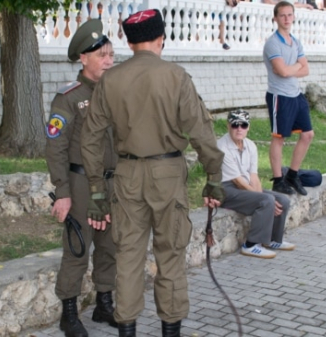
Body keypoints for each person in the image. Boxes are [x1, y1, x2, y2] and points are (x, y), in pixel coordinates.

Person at [80, 9, 225, 337]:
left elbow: (89, 138)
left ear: (129, 43)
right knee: (170, 254)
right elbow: (201, 132)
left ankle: (127, 330)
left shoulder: (110, 80)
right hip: (167, 173)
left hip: (126, 174)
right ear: (161, 38)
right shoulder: (175, 76)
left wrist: (96, 190)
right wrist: (213, 177)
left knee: (128, 256)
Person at [45, 19, 117, 337]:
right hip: (81, 185)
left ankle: (104, 304)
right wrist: (62, 192)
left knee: (110, 246)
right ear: (83, 58)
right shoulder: (68, 99)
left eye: (111, 54)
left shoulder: (114, 94)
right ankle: (69, 313)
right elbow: (55, 148)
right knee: (78, 248)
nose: (109, 61)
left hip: (113, 184)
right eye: (102, 55)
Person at [218, 109, 295, 259]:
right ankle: (251, 245)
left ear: (248, 127)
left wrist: (265, 198)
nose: (239, 129)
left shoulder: (251, 145)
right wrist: (265, 200)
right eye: (235, 125)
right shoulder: (222, 147)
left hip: (244, 186)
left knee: (282, 200)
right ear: (228, 126)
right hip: (226, 189)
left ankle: (272, 240)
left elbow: (254, 176)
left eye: (243, 125)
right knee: (266, 201)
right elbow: (237, 181)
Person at [263, 1, 314, 196]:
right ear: (275, 18)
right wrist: (294, 68)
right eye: (282, 15)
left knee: (308, 134)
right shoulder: (272, 43)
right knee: (279, 138)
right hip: (280, 96)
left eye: (289, 15)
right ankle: (278, 180)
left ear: (293, 17)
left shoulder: (295, 41)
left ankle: (292, 175)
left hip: (296, 94)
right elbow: (281, 71)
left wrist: (289, 69)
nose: (286, 19)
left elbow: (306, 69)